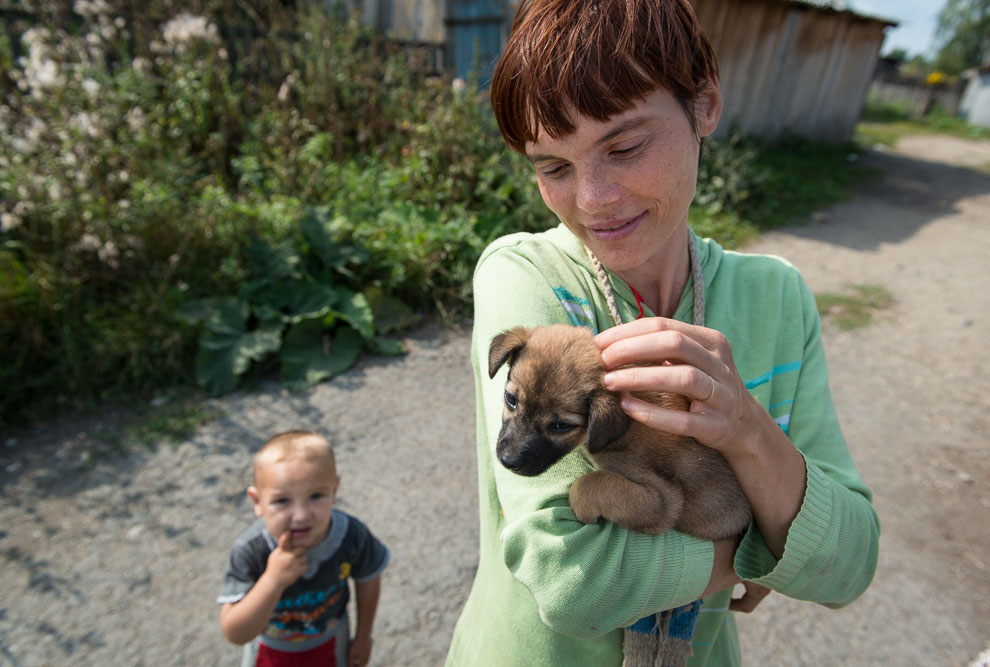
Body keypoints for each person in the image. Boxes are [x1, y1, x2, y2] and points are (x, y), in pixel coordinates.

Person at [445, 1, 880, 665]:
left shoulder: (777, 297)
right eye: (553, 166)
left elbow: (848, 565)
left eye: (624, 146)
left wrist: (745, 429)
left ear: (704, 105)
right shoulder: (524, 277)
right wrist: (762, 552)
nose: (592, 197)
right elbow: (570, 580)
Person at [218, 430, 389, 667]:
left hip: (332, 644)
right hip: (271, 652)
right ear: (257, 502)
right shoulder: (251, 550)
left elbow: (368, 578)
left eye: (316, 495)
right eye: (282, 501)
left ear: (334, 491)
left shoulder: (351, 535)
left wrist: (363, 636)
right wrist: (272, 581)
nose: (300, 516)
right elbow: (235, 632)